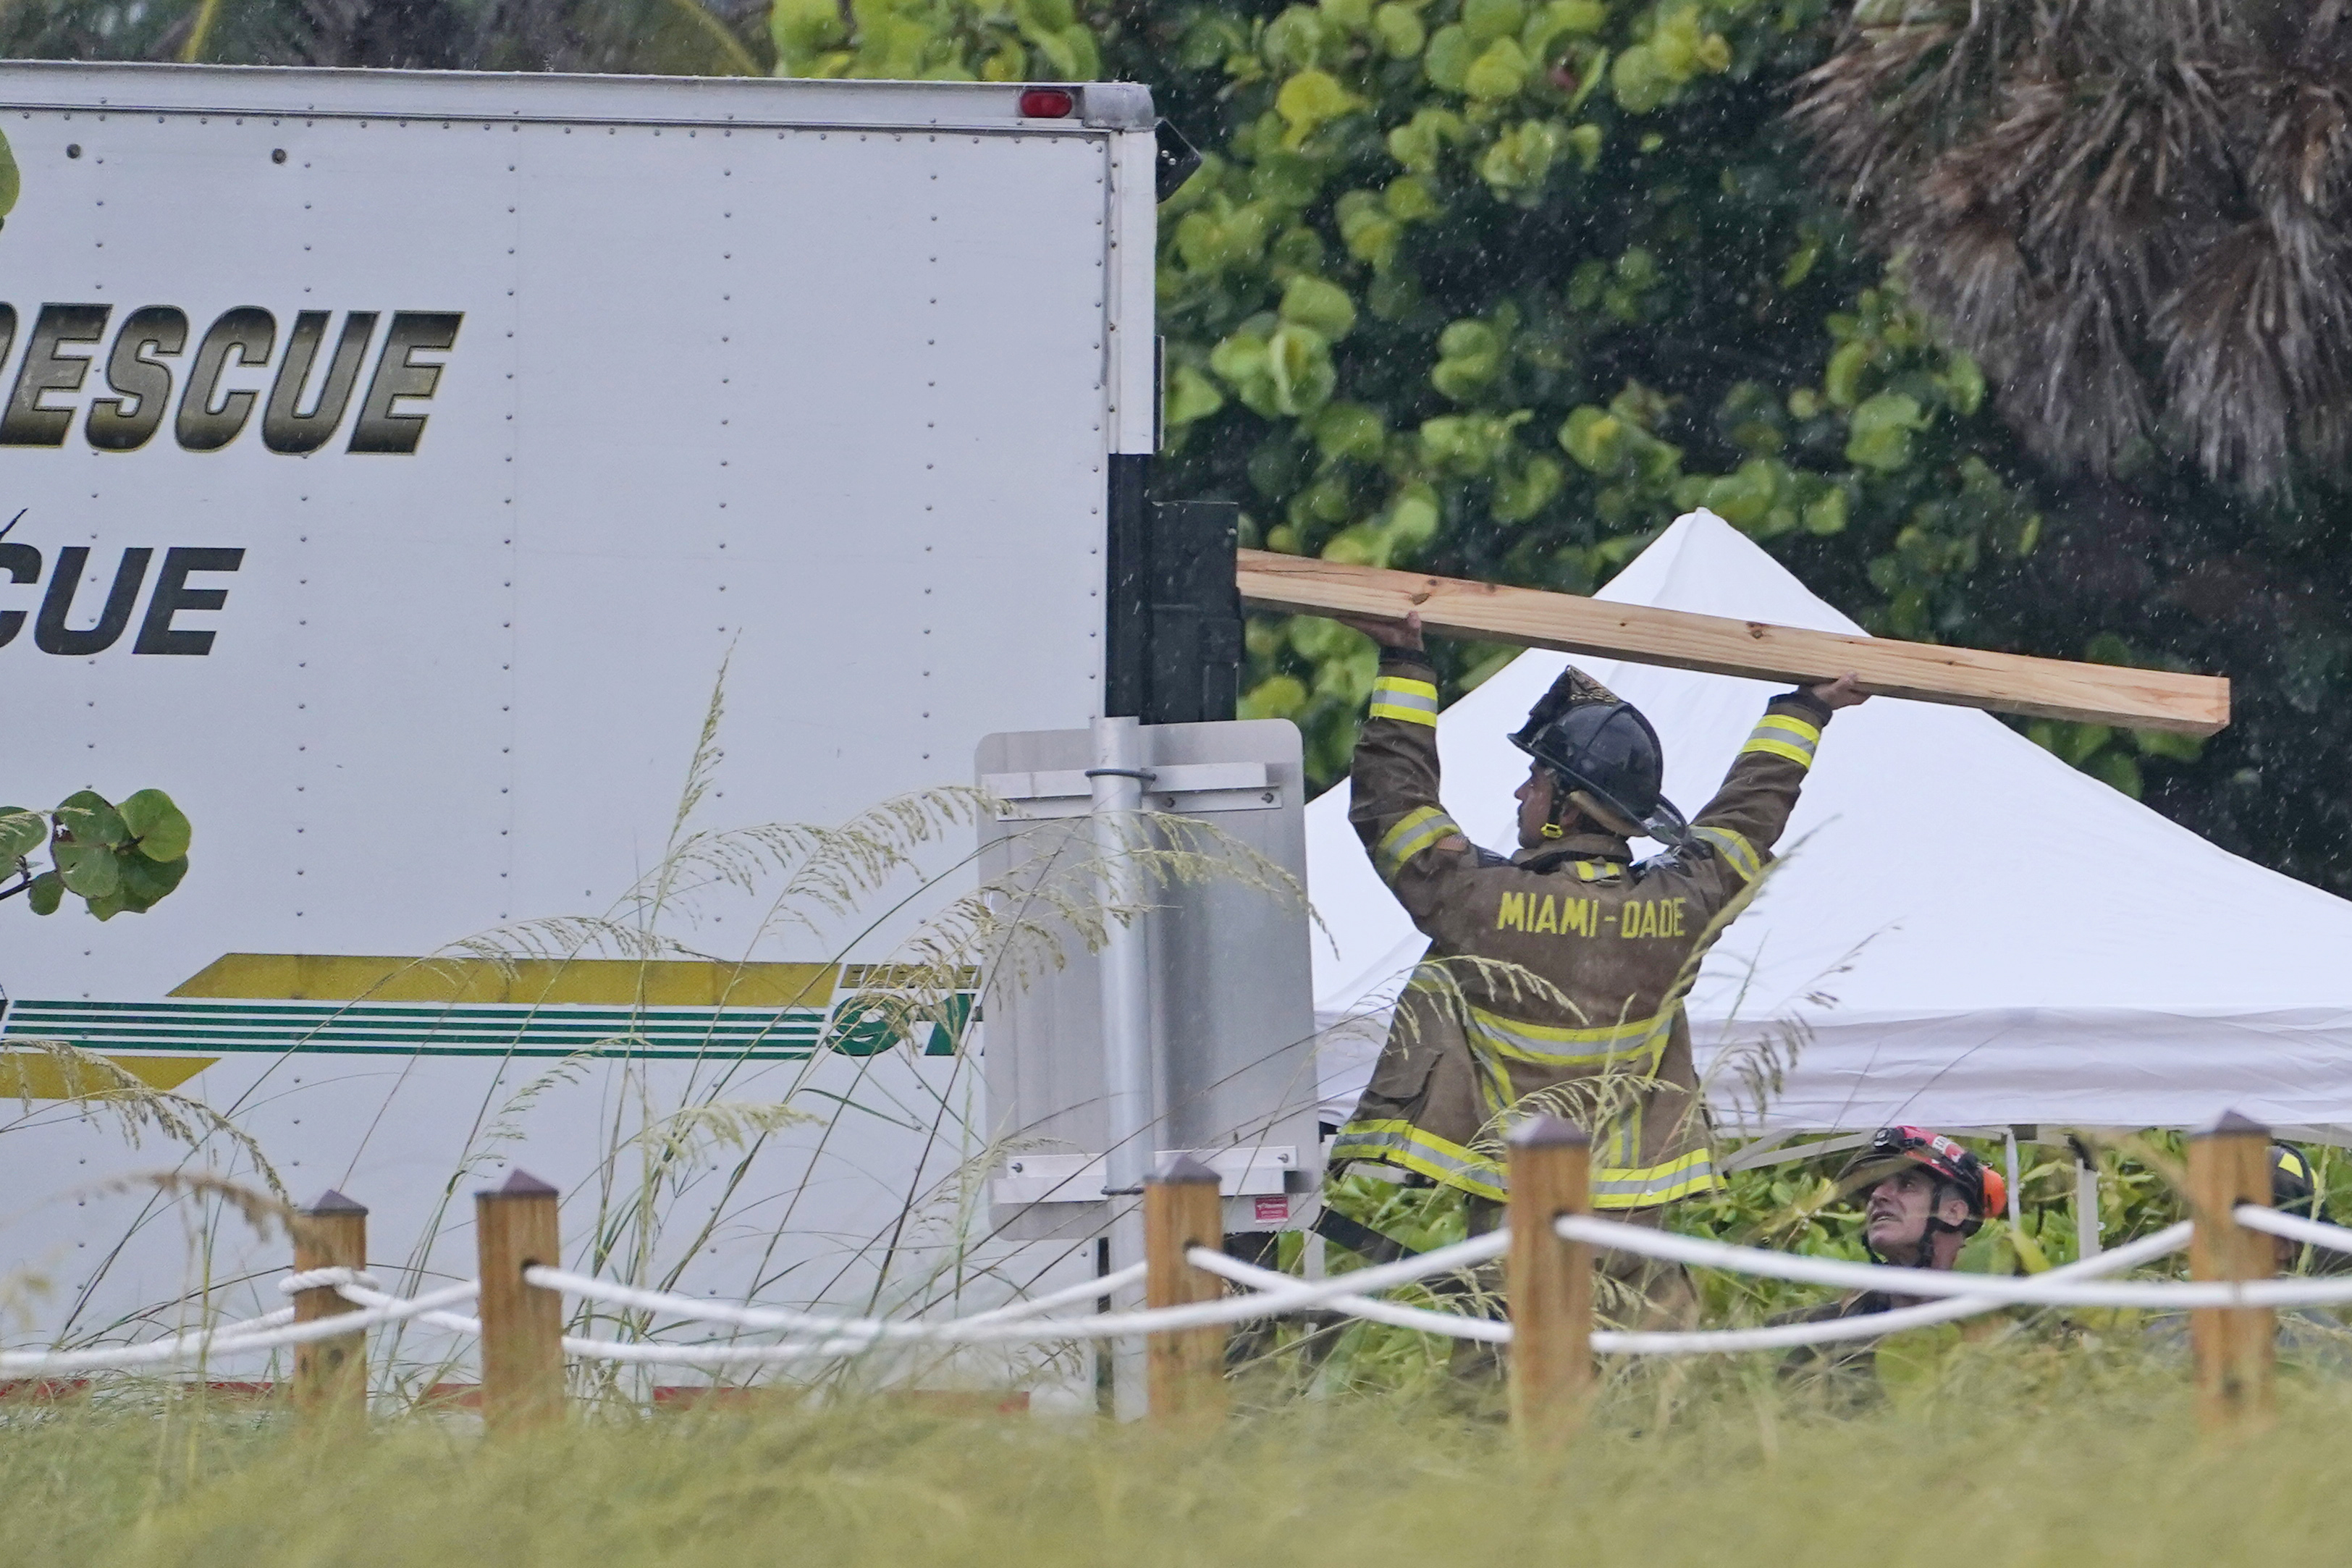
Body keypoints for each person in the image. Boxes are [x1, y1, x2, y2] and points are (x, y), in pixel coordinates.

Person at [1325, 608, 1866, 1302]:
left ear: (1567, 809)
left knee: (1502, 1385)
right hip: (1636, 1220)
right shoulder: (1681, 906)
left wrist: (1404, 666)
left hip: (1513, 1212)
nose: (1521, 792)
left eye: (1536, 779)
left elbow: (1390, 807)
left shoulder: (1477, 902)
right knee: (1641, 1388)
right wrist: (1802, 709)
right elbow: (1747, 818)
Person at [1776, 1125, 2005, 1391]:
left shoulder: (2001, 1319)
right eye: (1873, 1186)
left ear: (1954, 1213)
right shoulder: (1828, 1331)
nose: (1877, 1195)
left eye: (1907, 1184)